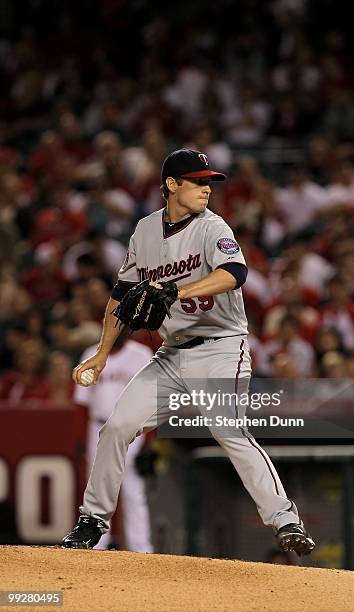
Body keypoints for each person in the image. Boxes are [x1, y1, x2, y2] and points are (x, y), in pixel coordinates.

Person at [62, 149, 315, 556]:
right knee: (115, 427)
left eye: (209, 182)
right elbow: (120, 298)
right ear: (171, 186)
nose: (206, 189)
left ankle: (286, 519)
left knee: (227, 428)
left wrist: (176, 290)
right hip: (171, 353)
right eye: (198, 181)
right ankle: (93, 520)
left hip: (221, 347)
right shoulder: (144, 231)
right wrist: (102, 353)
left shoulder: (213, 227)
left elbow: (235, 274)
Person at [74, 333, 153, 552]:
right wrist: (80, 438)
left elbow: (151, 399)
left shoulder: (141, 355)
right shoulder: (91, 354)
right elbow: (82, 403)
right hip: (96, 427)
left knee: (132, 488)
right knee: (97, 487)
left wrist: (149, 440)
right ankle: (97, 545)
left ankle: (142, 547)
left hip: (132, 428)